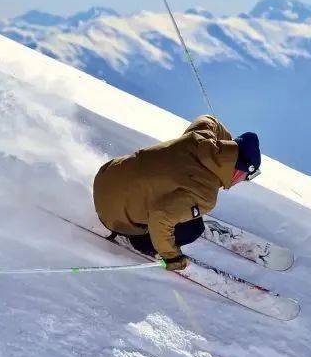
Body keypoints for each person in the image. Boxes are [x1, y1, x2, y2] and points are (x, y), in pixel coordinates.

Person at [92, 115, 260, 271]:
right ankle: (138, 241)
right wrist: (172, 258)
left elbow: (209, 119)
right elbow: (160, 217)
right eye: (247, 176)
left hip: (105, 176)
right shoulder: (206, 195)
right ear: (241, 170)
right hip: (113, 216)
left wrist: (228, 146)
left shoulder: (200, 136)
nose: (243, 180)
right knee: (194, 228)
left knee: (169, 193)